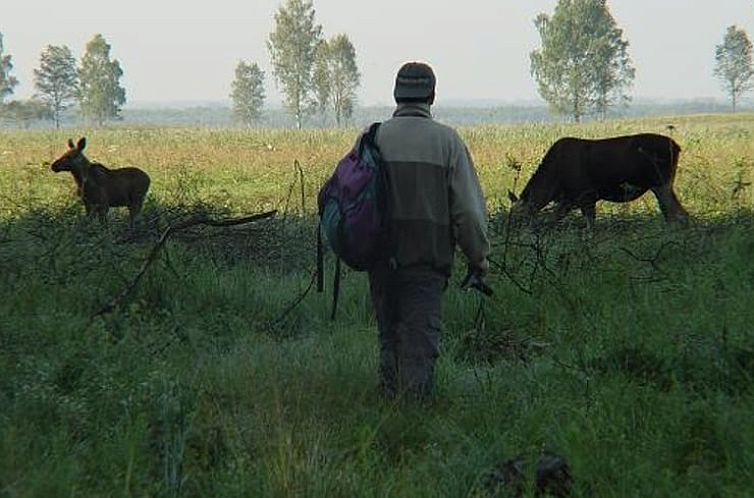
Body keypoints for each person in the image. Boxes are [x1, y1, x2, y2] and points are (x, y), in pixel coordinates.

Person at [369, 61, 490, 401]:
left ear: (397, 94)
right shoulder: (447, 142)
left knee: (388, 341)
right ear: (431, 95)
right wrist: (478, 259)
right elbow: (467, 212)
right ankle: (413, 422)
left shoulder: (374, 136)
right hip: (426, 262)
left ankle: (387, 415)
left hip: (380, 260)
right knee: (419, 347)